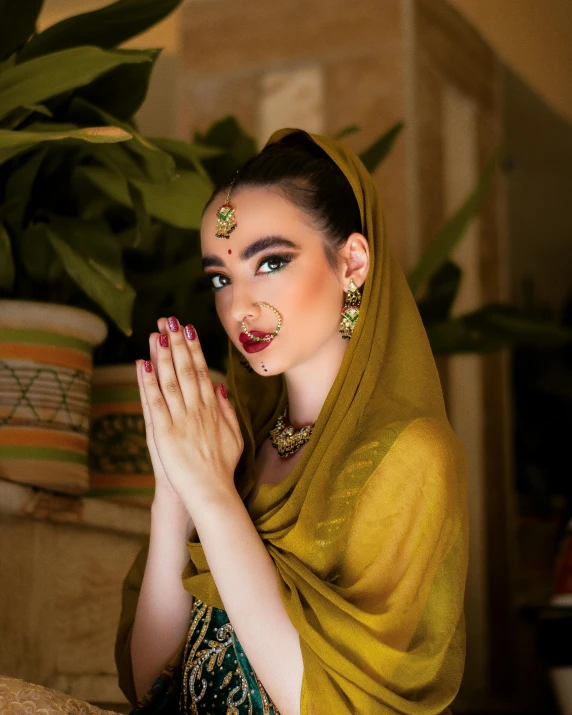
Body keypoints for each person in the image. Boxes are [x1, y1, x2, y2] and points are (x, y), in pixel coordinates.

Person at [114, 127, 469, 715]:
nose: (239, 306)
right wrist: (174, 490)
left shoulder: (411, 458)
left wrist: (214, 497)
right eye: (221, 279)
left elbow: (326, 705)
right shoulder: (236, 447)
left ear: (352, 261)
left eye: (271, 262)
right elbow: (152, 683)